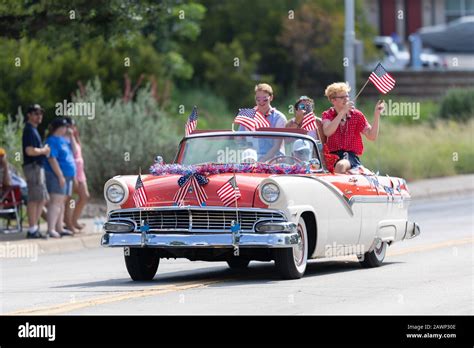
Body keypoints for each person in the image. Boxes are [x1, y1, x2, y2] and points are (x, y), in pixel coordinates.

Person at [321, 82, 384, 174]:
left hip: (350, 157)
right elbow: (327, 131)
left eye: (347, 96)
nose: (346, 99)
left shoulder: (356, 115)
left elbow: (371, 136)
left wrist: (376, 115)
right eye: (342, 97)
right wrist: (342, 112)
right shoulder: (328, 115)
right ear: (333, 100)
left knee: (341, 165)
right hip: (331, 156)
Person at [44, 117, 76, 238]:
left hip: (67, 175)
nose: (66, 129)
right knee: (55, 201)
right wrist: (60, 176)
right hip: (56, 175)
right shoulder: (51, 141)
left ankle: (59, 227)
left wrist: (72, 136)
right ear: (59, 128)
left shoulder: (62, 139)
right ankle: (51, 229)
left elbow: (74, 149)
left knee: (61, 202)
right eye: (64, 127)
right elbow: (52, 159)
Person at [22, 104, 50, 238]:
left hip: (37, 167)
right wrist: (44, 150)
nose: (39, 116)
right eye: (36, 113)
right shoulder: (28, 130)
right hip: (33, 167)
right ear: (29, 115)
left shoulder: (33, 130)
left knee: (42, 198)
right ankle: (32, 229)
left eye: (41, 113)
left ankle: (34, 228)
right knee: (34, 199)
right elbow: (29, 150)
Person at [239, 83, 287, 161]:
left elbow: (277, 146)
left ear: (271, 98)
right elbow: (239, 139)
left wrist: (261, 162)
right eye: (258, 99)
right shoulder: (247, 116)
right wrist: (249, 154)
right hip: (252, 159)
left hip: (274, 160)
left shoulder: (279, 118)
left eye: (265, 99)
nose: (261, 102)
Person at [63, 117, 89, 231]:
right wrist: (71, 136)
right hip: (71, 171)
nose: (72, 128)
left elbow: (79, 150)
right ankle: (69, 224)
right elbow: (73, 152)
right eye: (70, 126)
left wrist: (74, 136)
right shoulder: (65, 139)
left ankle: (74, 220)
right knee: (70, 199)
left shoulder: (74, 137)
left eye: (73, 126)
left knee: (85, 196)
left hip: (80, 172)